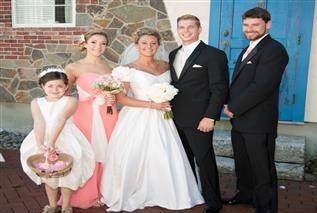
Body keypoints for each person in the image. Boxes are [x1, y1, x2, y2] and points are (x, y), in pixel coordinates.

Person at [100, 28, 204, 212]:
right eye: (144, 43)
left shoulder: (166, 66)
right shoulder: (127, 70)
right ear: (136, 45)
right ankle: (137, 190)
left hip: (164, 117)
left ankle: (167, 192)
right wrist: (151, 105)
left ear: (158, 45)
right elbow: (121, 99)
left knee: (166, 153)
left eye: (153, 43)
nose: (149, 46)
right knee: (138, 154)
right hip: (138, 116)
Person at [223, 7, 289, 213]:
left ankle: (265, 207)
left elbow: (262, 86)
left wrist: (233, 107)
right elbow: (241, 83)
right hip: (241, 120)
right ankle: (245, 194)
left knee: (262, 168)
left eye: (255, 25)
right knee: (243, 163)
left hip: (259, 122)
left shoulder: (274, 49)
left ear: (267, 25)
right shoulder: (248, 48)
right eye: (246, 25)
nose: (249, 29)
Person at [169, 15, 229, 213]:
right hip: (174, 118)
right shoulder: (173, 54)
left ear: (199, 29)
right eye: (181, 27)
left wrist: (210, 116)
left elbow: (219, 89)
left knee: (204, 160)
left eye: (190, 27)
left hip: (200, 119)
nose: (185, 31)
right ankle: (192, 194)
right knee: (183, 159)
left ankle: (213, 201)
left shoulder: (214, 55)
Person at [20, 66, 95, 213]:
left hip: (66, 137)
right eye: (50, 86)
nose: (55, 89)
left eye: (60, 86)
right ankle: (52, 205)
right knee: (49, 173)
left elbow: (61, 119)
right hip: (43, 137)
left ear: (66, 86)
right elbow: (39, 122)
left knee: (68, 173)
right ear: (42, 86)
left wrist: (52, 143)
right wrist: (41, 144)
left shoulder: (71, 101)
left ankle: (66, 205)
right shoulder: (36, 102)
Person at [65, 30, 118, 208]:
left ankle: (104, 190)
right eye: (94, 42)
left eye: (103, 43)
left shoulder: (111, 68)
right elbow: (63, 93)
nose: (98, 47)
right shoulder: (74, 67)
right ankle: (87, 192)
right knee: (87, 151)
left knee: (108, 150)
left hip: (108, 114)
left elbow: (117, 92)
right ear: (85, 44)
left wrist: (113, 98)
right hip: (84, 114)